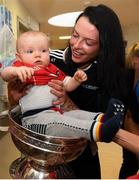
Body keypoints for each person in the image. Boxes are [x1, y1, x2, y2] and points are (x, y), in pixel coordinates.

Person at [5, 5, 134, 179]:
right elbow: (19, 104)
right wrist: (14, 97)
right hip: (43, 151)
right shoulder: (48, 61)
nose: (77, 45)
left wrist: (66, 102)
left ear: (104, 46)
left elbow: (113, 120)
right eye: (75, 35)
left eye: (88, 42)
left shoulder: (113, 76)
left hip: (81, 153)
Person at [1, 30, 125, 142]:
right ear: (19, 56)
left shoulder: (52, 69)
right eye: (30, 51)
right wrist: (15, 71)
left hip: (58, 111)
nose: (38, 55)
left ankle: (103, 118)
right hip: (36, 118)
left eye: (43, 51)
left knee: (76, 114)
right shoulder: (21, 67)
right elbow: (4, 74)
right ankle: (101, 132)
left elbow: (67, 86)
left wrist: (76, 80)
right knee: (65, 123)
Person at [119, 43, 139, 179]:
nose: (136, 61)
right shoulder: (127, 76)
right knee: (129, 163)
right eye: (135, 57)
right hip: (130, 124)